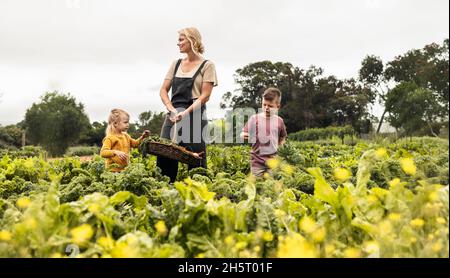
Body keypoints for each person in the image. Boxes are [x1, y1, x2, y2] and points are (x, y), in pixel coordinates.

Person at [157, 27, 218, 183]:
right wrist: (171, 110)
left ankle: (199, 196)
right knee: (165, 154)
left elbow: (205, 96)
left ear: (192, 40)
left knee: (196, 160)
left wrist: (186, 113)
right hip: (173, 115)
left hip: (195, 115)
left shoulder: (207, 65)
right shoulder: (176, 64)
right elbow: (163, 90)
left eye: (181, 39)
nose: (178, 43)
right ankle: (165, 190)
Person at [240, 87, 287, 177]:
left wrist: (281, 148)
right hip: (257, 162)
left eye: (270, 106)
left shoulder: (279, 121)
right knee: (257, 186)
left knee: (271, 186)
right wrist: (247, 136)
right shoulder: (254, 119)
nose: (266, 108)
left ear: (277, 106)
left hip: (273, 162)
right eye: (264, 105)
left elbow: (282, 137)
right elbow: (242, 134)